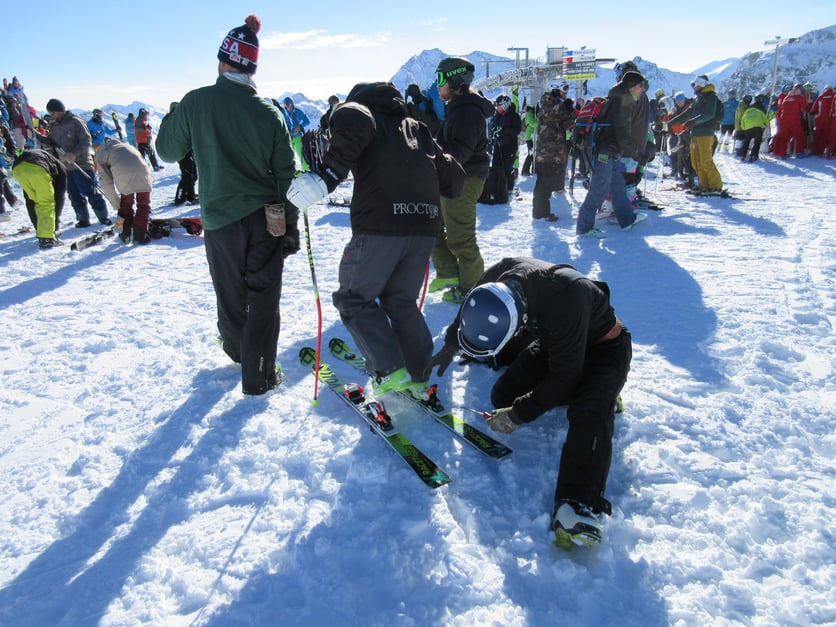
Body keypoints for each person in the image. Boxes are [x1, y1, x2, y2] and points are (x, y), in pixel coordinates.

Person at [429, 256, 631, 547]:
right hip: (554, 342)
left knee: (589, 411)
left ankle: (578, 504)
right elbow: (470, 306)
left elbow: (564, 377)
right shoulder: (503, 274)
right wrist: (451, 345)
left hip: (605, 350)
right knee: (504, 395)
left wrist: (518, 415)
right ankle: (593, 389)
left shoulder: (567, 296)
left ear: (521, 319)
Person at [286, 81, 465, 397]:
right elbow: (454, 181)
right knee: (400, 300)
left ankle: (389, 369)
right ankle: (419, 370)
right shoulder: (418, 128)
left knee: (353, 298)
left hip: (380, 225)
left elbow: (351, 123)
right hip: (423, 227)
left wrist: (325, 177)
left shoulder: (359, 112)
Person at [156, 14, 301, 396]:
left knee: (230, 293)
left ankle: (239, 352)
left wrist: (176, 116)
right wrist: (290, 224)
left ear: (222, 62)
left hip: (220, 218)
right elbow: (287, 174)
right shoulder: (269, 113)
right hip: (267, 218)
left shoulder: (196, 102)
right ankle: (259, 375)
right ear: (252, 68)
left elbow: (166, 151)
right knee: (264, 296)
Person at [428, 56, 493, 303]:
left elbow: (460, 152)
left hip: (464, 180)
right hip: (454, 179)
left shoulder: (467, 112)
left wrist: (432, 154)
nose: (437, 85)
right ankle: (448, 273)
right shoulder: (458, 108)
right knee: (432, 225)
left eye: (440, 79)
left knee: (461, 240)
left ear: (456, 81)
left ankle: (472, 292)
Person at [574, 70, 648, 237]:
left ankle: (627, 220)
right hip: (605, 153)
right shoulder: (621, 104)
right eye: (641, 85)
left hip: (610, 152)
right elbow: (622, 135)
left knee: (617, 186)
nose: (642, 89)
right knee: (598, 190)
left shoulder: (620, 100)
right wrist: (637, 154)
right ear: (632, 86)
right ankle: (584, 228)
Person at [42, 98, 112, 227]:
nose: (53, 115)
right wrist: (36, 135)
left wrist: (73, 154)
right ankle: (83, 219)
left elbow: (86, 140)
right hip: (65, 166)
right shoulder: (54, 126)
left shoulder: (75, 121)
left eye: (54, 112)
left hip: (82, 163)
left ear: (60, 111)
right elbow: (51, 142)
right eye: (51, 113)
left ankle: (103, 217)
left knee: (90, 191)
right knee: (74, 195)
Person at [667, 75, 723, 195]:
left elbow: (709, 114)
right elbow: (688, 113)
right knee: (696, 161)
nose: (694, 87)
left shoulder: (710, 97)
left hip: (705, 132)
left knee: (705, 160)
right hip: (695, 133)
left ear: (702, 84)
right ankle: (704, 185)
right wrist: (671, 122)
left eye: (696, 85)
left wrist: (693, 121)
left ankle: (715, 186)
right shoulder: (699, 98)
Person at [94, 137, 153, 244]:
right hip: (143, 171)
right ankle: (141, 234)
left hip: (123, 173)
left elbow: (106, 183)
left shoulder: (100, 154)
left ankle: (124, 233)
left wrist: (117, 204)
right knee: (144, 204)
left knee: (125, 205)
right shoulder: (127, 146)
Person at [11, 148, 67, 248]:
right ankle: (47, 239)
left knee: (35, 201)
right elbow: (59, 197)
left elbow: (29, 201)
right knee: (47, 203)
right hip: (36, 168)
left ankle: (42, 231)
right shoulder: (62, 171)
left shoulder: (50, 160)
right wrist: (55, 225)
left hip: (17, 169)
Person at [532, 89, 574, 221]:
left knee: (541, 182)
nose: (565, 94)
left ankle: (538, 211)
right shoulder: (558, 106)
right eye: (564, 92)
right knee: (546, 184)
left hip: (542, 151)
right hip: (552, 151)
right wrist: (570, 109)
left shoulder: (544, 104)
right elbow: (569, 123)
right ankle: (541, 214)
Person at [280, 97, 311, 171]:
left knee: (301, 153)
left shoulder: (298, 112)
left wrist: (300, 127)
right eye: (285, 105)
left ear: (292, 103)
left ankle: (306, 169)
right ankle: (290, 171)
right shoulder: (282, 112)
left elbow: (307, 121)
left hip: (297, 137)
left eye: (288, 104)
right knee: (288, 155)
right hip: (287, 137)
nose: (287, 106)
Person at [736, 95, 768, 162]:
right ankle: (753, 155)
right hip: (758, 127)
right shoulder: (760, 110)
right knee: (757, 142)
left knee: (747, 141)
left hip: (748, 127)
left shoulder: (748, 110)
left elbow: (743, 119)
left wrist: (744, 128)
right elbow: (765, 119)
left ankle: (743, 155)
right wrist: (765, 126)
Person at [809, 85, 833, 156]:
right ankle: (820, 151)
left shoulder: (820, 96)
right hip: (829, 119)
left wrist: (813, 112)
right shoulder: (833, 96)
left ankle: (814, 150)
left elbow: (814, 108)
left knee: (817, 134)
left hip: (819, 118)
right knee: (825, 135)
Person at [521, 104, 538, 176]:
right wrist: (539, 120)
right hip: (529, 137)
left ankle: (533, 169)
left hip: (532, 136)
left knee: (534, 154)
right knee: (531, 154)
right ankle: (525, 170)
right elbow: (533, 123)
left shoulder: (531, 113)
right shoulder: (529, 114)